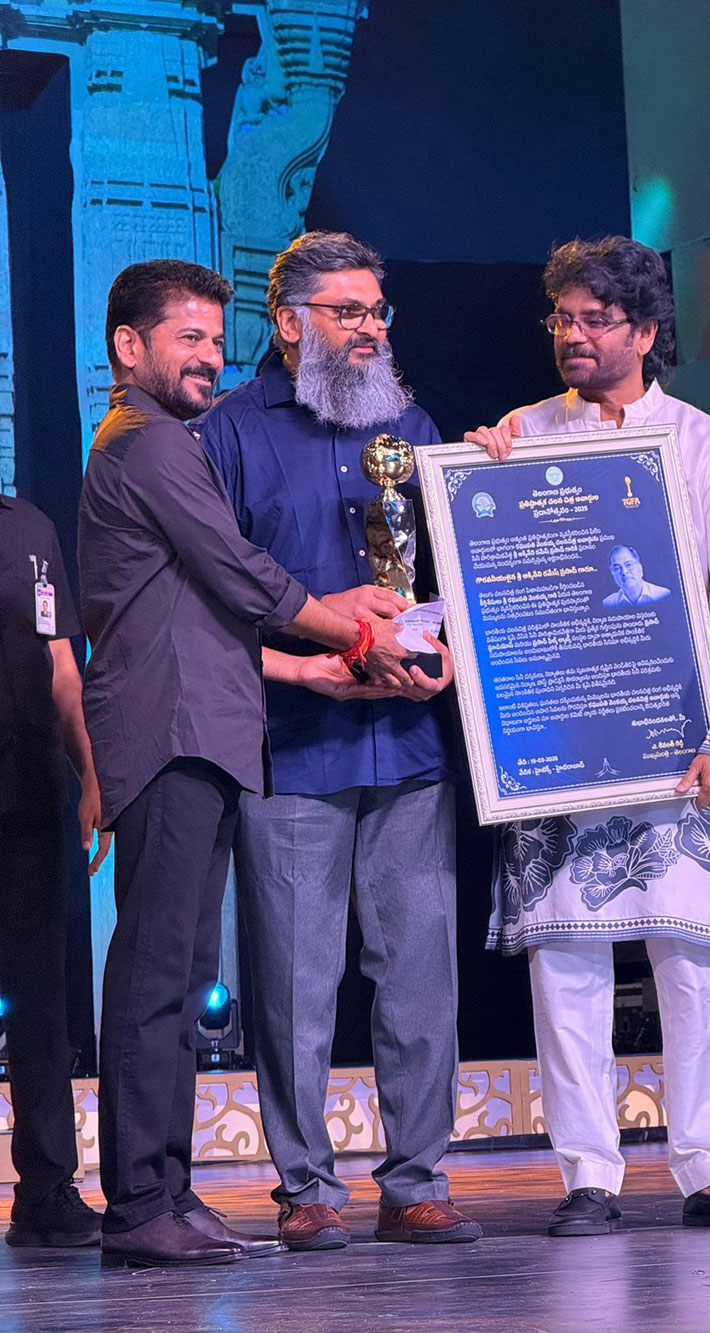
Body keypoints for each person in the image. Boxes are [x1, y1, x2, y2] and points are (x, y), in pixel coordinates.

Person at [79, 259, 414, 1269]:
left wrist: (316, 652)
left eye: (216, 341)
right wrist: (353, 632)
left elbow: (209, 600)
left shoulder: (157, 441)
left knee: (184, 977)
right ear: (129, 345)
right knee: (156, 978)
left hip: (205, 728)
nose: (209, 358)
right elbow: (242, 574)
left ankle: (167, 1190)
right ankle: (139, 1203)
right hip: (171, 731)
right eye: (188, 338)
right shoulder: (146, 443)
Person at [465, 236, 710, 1236]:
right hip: (563, 743)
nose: (572, 334)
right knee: (565, 960)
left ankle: (708, 1167)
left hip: (678, 744)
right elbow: (492, 579)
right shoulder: (520, 435)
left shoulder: (702, 442)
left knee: (688, 956)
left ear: (645, 332)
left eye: (595, 319)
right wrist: (472, 487)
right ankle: (587, 1177)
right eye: (561, 317)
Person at [197, 231, 482, 1250]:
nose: (369, 329)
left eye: (376, 312)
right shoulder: (228, 435)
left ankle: (418, 1181)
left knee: (420, 975)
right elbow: (209, 599)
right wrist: (311, 656)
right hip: (292, 742)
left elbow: (455, 573)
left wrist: (443, 648)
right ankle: (306, 1186)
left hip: (407, 744)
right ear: (287, 322)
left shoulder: (411, 424)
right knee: (293, 981)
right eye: (346, 311)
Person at [0, 495, 109, 1247]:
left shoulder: (31, 527)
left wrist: (90, 772)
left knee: (41, 1000)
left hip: (28, 792)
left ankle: (45, 1192)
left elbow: (63, 664)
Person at [602, 544, 670, 607]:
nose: (624, 572)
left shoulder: (663, 595)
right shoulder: (609, 603)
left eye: (628, 565)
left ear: (640, 568)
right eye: (617, 568)